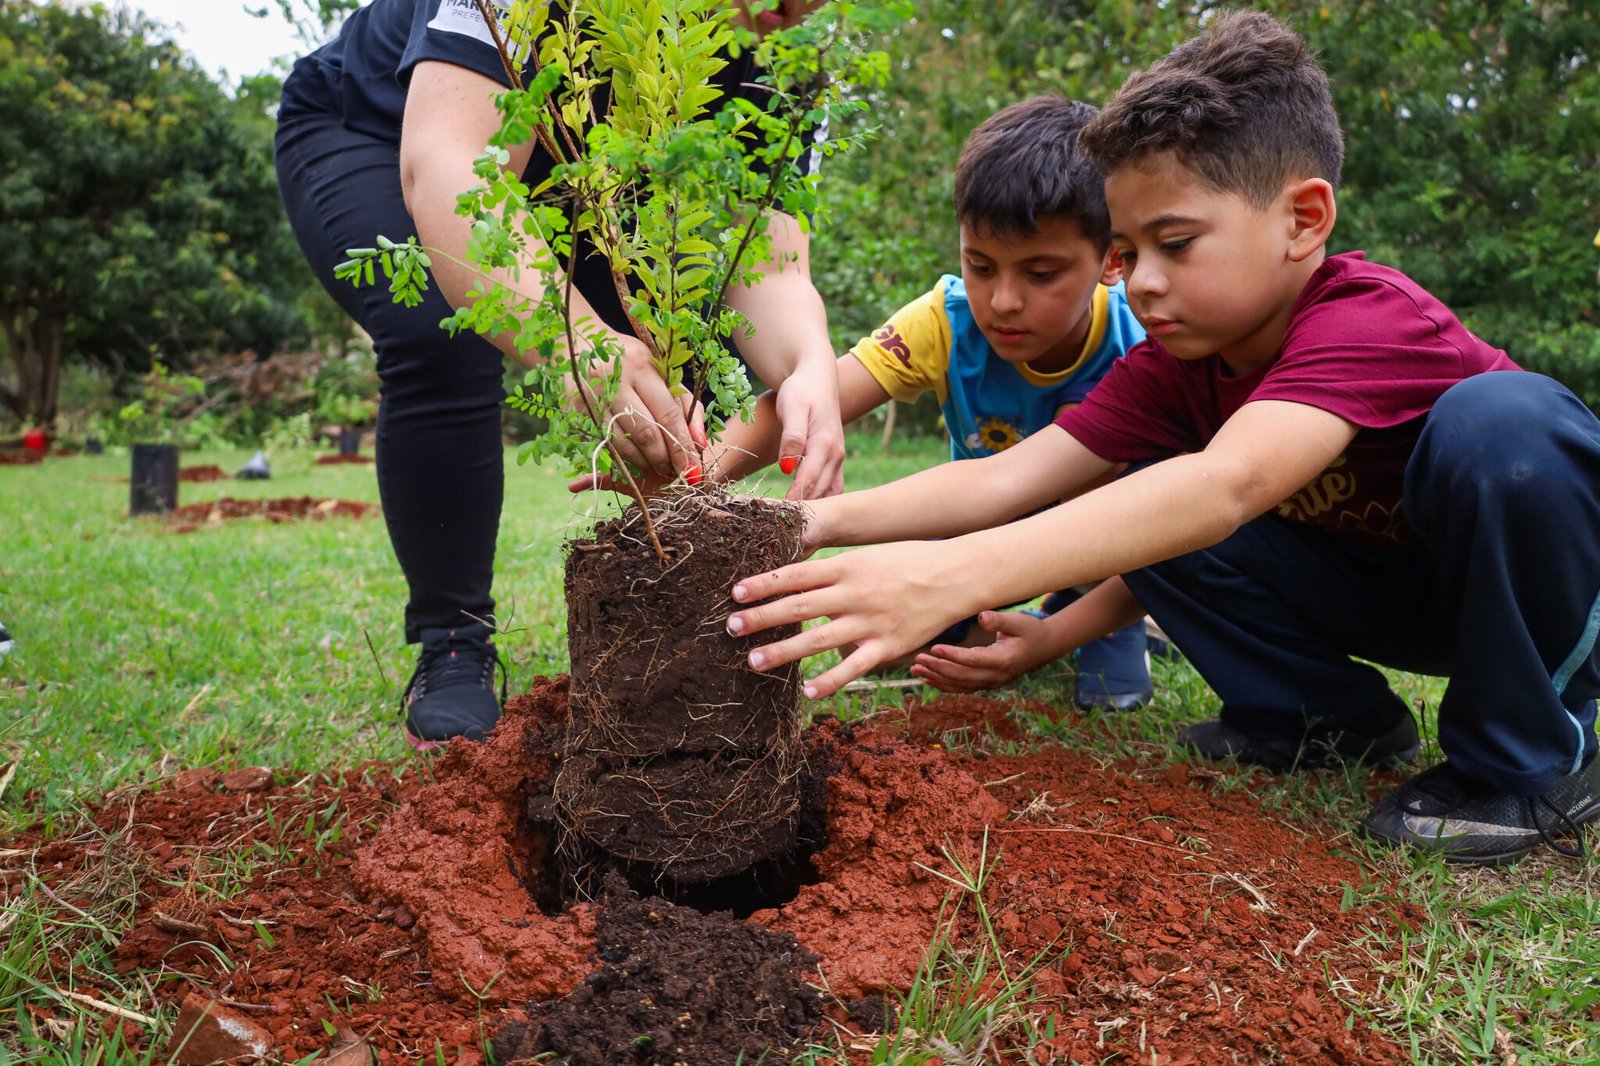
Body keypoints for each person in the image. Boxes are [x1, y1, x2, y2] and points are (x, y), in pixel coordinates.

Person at [722, 10, 1600, 866]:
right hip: (1391, 597)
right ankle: (1325, 720)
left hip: (1522, 595)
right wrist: (797, 529)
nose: (1142, 282)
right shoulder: (1181, 366)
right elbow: (1009, 479)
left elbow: (1230, 484)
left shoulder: (1369, 318)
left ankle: (1535, 758)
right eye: (1127, 252)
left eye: (1175, 244)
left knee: (1506, 425)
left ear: (1305, 219)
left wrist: (943, 575)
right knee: (1141, 495)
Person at [274, 0, 845, 749]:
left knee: (681, 345)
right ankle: (453, 641)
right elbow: (449, 164)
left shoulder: (791, 51)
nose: (784, 13)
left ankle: (679, 650)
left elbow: (761, 251)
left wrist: (809, 364)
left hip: (588, 178)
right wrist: (582, 339)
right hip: (380, 130)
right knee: (440, 329)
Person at [705, 95, 1153, 710]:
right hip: (974, 544)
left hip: (1106, 556)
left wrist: (1051, 640)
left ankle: (1089, 615)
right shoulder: (945, 321)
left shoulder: (1143, 349)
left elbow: (1169, 529)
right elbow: (819, 395)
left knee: (1109, 691)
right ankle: (989, 616)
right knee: (888, 647)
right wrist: (696, 468)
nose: (1003, 300)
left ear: (1110, 258)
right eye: (981, 265)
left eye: (1041, 274)